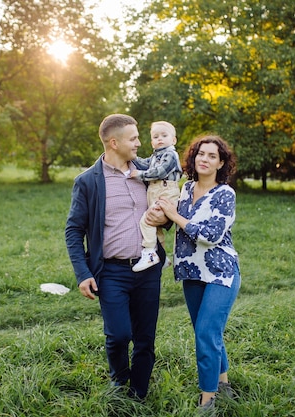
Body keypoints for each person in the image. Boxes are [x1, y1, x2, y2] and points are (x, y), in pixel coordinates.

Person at [64, 114, 167, 400]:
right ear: (114, 142)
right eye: (133, 138)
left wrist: (166, 218)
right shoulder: (88, 181)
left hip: (149, 268)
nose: (139, 143)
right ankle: (119, 381)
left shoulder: (148, 171)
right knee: (119, 334)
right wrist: (83, 273)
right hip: (111, 272)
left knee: (145, 337)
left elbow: (166, 208)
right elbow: (73, 230)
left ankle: (139, 391)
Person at [156, 134, 240, 412]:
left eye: (212, 156)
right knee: (208, 333)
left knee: (205, 332)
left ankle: (208, 399)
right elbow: (171, 220)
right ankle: (224, 383)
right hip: (191, 271)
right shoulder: (185, 187)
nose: (205, 159)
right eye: (201, 154)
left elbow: (211, 234)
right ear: (194, 157)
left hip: (221, 273)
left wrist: (176, 216)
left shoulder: (225, 194)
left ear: (221, 163)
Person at [130, 121, 182, 272]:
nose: (160, 139)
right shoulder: (155, 156)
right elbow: (144, 162)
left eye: (164, 135)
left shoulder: (171, 155)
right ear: (152, 142)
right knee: (154, 226)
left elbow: (160, 172)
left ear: (173, 140)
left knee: (147, 221)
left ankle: (149, 253)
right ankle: (162, 256)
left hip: (166, 191)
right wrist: (131, 156)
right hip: (155, 191)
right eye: (155, 136)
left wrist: (140, 175)